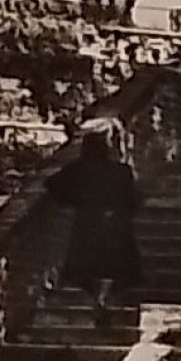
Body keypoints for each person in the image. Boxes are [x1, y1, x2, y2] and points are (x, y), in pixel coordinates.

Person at [46, 122, 144, 319]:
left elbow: (52, 184)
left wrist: (74, 201)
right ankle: (104, 298)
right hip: (115, 224)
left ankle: (97, 298)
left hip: (88, 223)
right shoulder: (121, 171)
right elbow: (134, 199)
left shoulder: (79, 169)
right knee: (113, 266)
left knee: (87, 265)